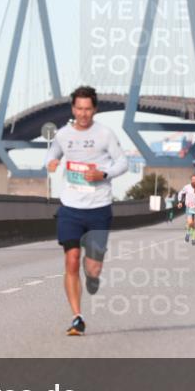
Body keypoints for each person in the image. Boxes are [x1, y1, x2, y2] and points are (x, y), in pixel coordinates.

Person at [45, 86, 128, 336]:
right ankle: (77, 317)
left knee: (93, 268)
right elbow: (52, 153)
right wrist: (51, 162)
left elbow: (123, 162)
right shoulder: (63, 134)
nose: (83, 114)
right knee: (71, 260)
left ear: (95, 109)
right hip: (70, 206)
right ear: (73, 109)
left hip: (99, 207)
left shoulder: (105, 134)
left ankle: (92, 277)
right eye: (79, 109)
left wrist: (104, 174)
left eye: (87, 109)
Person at [176, 173, 195, 245]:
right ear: (191, 180)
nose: (194, 181)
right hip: (189, 207)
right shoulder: (187, 187)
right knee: (190, 223)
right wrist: (180, 202)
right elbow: (181, 193)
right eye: (192, 179)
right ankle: (189, 233)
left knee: (193, 223)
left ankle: (193, 238)